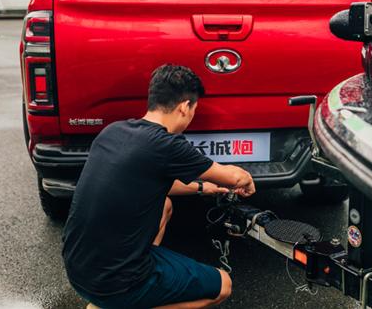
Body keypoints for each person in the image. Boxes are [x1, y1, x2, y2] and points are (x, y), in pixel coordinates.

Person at [62, 64, 256, 309]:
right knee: (222, 285)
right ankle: (123, 301)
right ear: (184, 107)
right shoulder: (167, 145)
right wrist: (248, 181)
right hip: (114, 283)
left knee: (164, 205)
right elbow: (235, 178)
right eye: (194, 109)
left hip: (77, 268)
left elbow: (152, 181)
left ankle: (128, 292)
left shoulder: (113, 131)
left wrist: (202, 188)